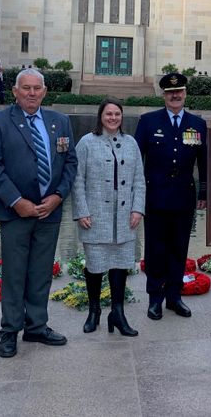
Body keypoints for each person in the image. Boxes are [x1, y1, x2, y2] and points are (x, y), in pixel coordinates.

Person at [0, 68, 78, 358]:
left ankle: (36, 326)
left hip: (49, 212)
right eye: (26, 88)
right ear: (15, 91)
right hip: (16, 213)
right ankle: (9, 331)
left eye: (37, 88)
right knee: (14, 274)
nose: (32, 93)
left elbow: (70, 162)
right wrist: (16, 201)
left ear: (45, 92)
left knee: (40, 273)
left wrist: (58, 196)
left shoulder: (59, 122)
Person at [134, 72, 208, 321]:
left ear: (185, 94)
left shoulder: (197, 124)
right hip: (154, 196)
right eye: (170, 92)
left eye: (179, 92)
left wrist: (204, 191)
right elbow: (136, 161)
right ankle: (155, 298)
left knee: (179, 248)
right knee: (155, 249)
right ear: (164, 95)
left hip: (184, 197)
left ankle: (174, 297)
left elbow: (204, 161)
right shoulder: (148, 121)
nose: (175, 96)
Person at [72, 99, 145, 337]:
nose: (113, 118)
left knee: (121, 265)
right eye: (108, 114)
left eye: (117, 114)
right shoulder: (86, 143)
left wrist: (137, 209)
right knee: (95, 266)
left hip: (124, 216)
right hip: (95, 215)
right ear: (100, 116)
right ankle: (94, 311)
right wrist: (81, 210)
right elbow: (77, 179)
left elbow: (139, 180)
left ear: (121, 117)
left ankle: (118, 312)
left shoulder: (131, 143)